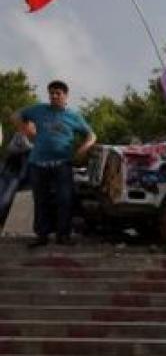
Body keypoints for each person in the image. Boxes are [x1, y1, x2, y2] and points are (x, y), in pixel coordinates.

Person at [20, 80, 95, 247]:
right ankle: (42, 236)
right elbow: (17, 115)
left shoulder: (73, 116)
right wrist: (26, 129)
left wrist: (83, 148)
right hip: (38, 163)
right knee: (41, 200)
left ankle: (63, 236)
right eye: (51, 93)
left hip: (62, 163)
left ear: (65, 96)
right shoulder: (39, 110)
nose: (54, 96)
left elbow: (91, 135)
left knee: (65, 199)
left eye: (58, 93)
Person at [0, 112, 34, 229]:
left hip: (17, 176)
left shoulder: (36, 138)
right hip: (6, 172)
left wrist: (26, 147)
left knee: (6, 200)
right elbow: (11, 149)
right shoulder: (18, 135)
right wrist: (26, 148)